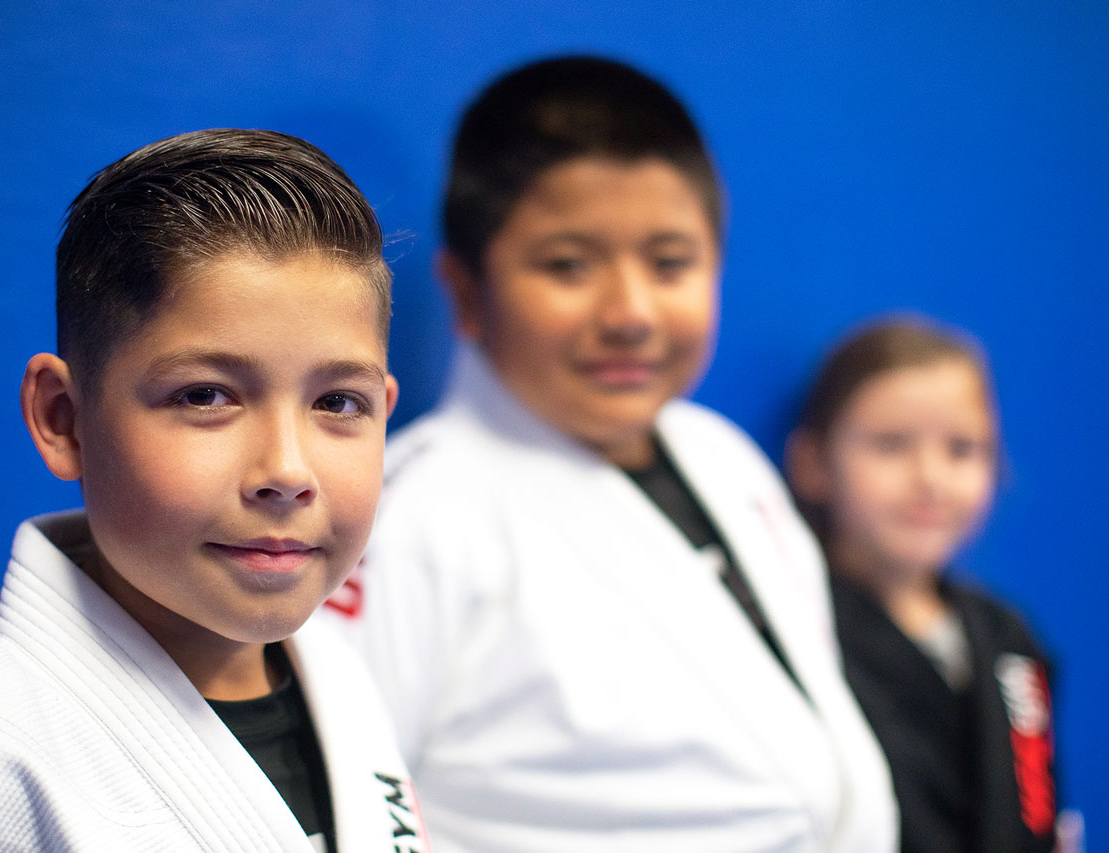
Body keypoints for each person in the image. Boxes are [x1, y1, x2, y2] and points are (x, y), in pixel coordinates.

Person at [317, 56, 896, 851]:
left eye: (670, 263)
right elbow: (337, 804)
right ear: (464, 292)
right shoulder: (405, 517)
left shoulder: (726, 460)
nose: (630, 313)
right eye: (568, 265)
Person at [0, 129, 428, 852]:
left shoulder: (343, 675)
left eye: (337, 403)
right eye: (206, 394)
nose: (288, 470)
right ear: (64, 418)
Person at [785, 316, 1062, 853]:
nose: (929, 478)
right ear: (813, 462)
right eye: (891, 445)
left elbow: (1037, 813)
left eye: (961, 449)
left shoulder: (1007, 637)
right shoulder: (799, 626)